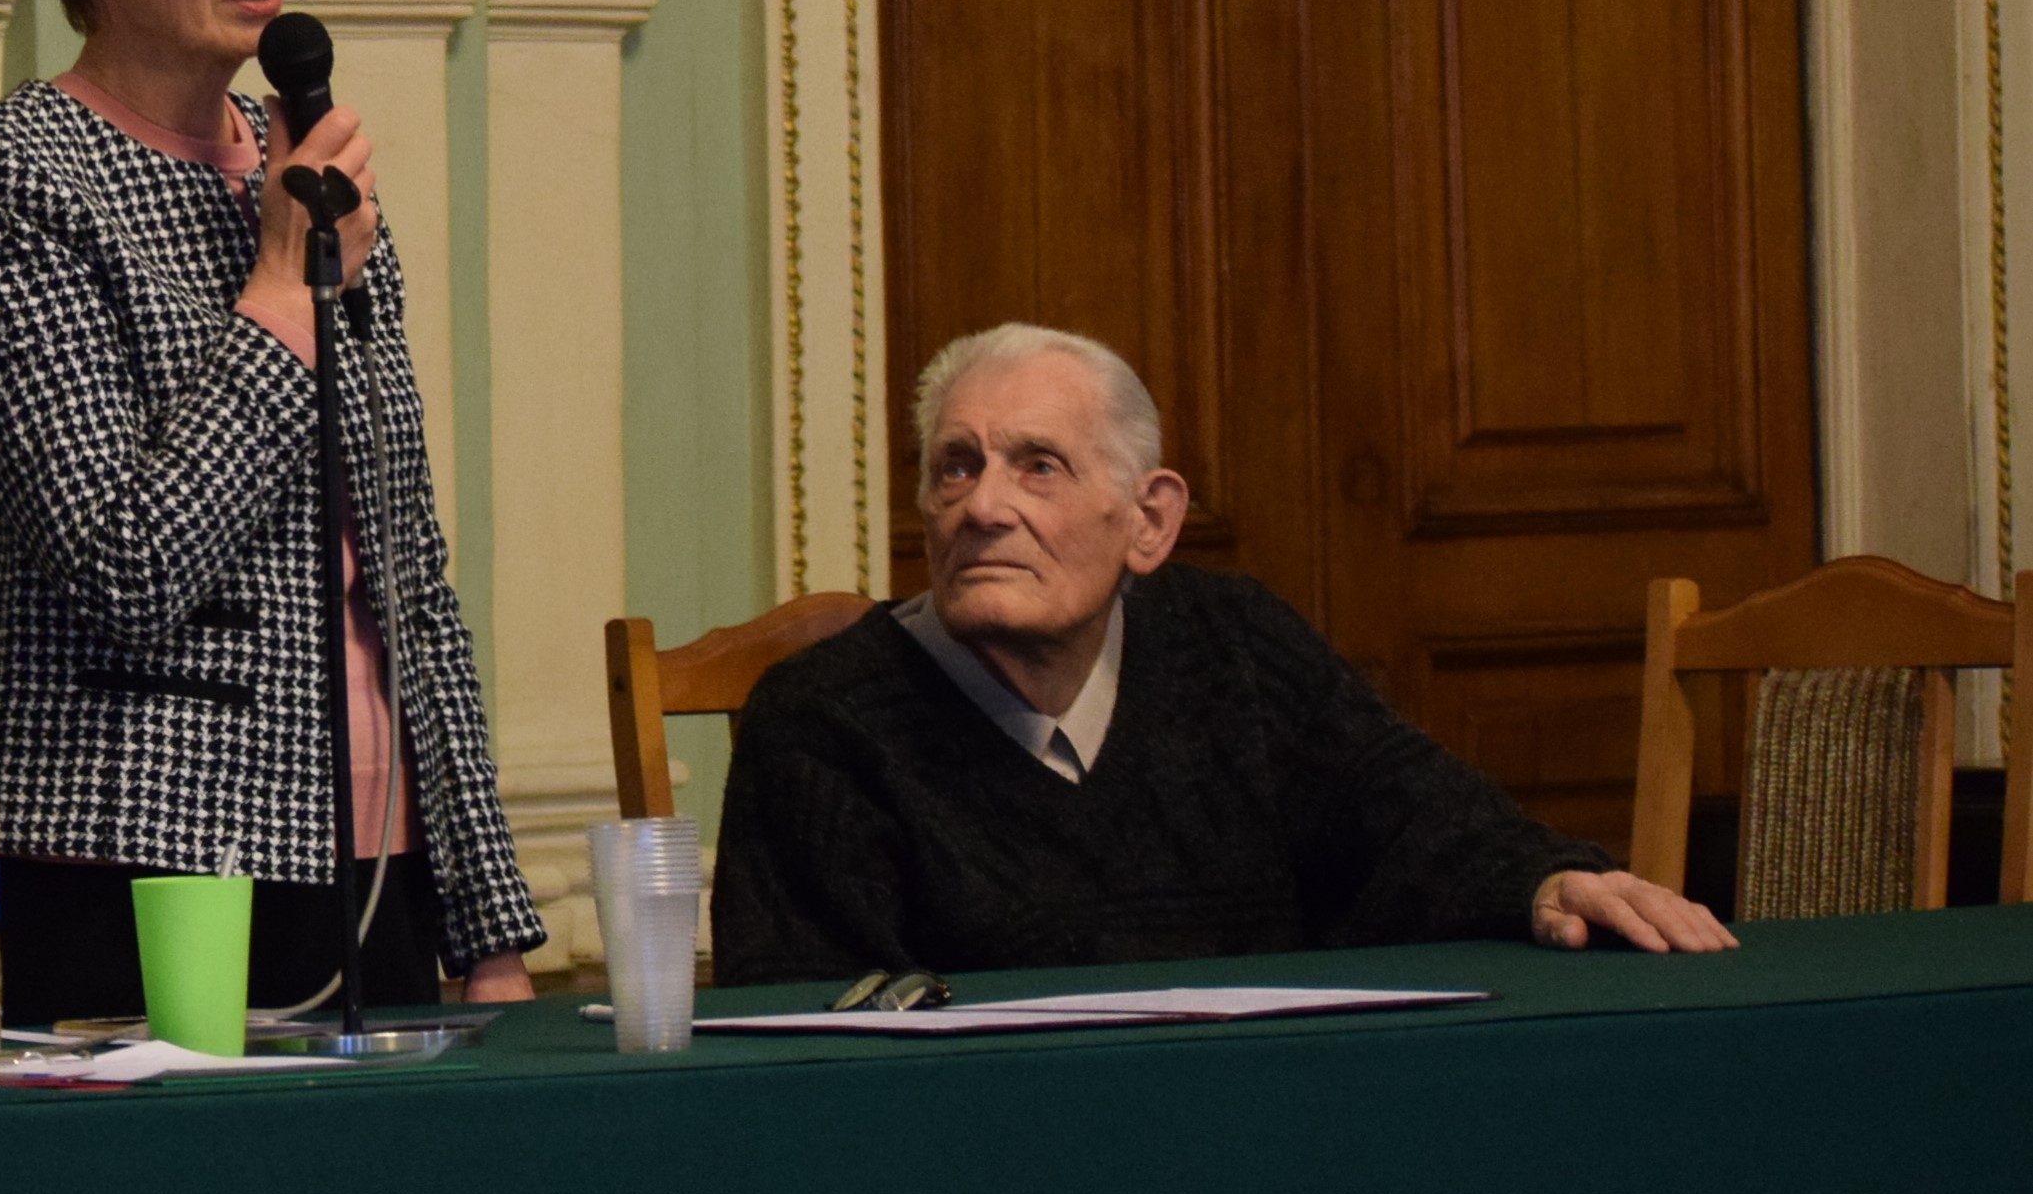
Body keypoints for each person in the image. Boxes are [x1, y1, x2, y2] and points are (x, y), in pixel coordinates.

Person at [0, 0, 546, 1023]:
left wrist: (485, 918)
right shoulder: (7, 189)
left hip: (378, 851)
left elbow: (405, 572)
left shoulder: (299, 165)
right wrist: (279, 291)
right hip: (143, 859)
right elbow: (124, 565)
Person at [714, 321, 1733, 985]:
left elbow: (1412, 816)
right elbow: (817, 1038)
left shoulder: (1232, 643)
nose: (982, 505)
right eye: (955, 466)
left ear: (1149, 520)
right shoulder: (821, 721)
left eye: (1037, 466)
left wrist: (1543, 880)